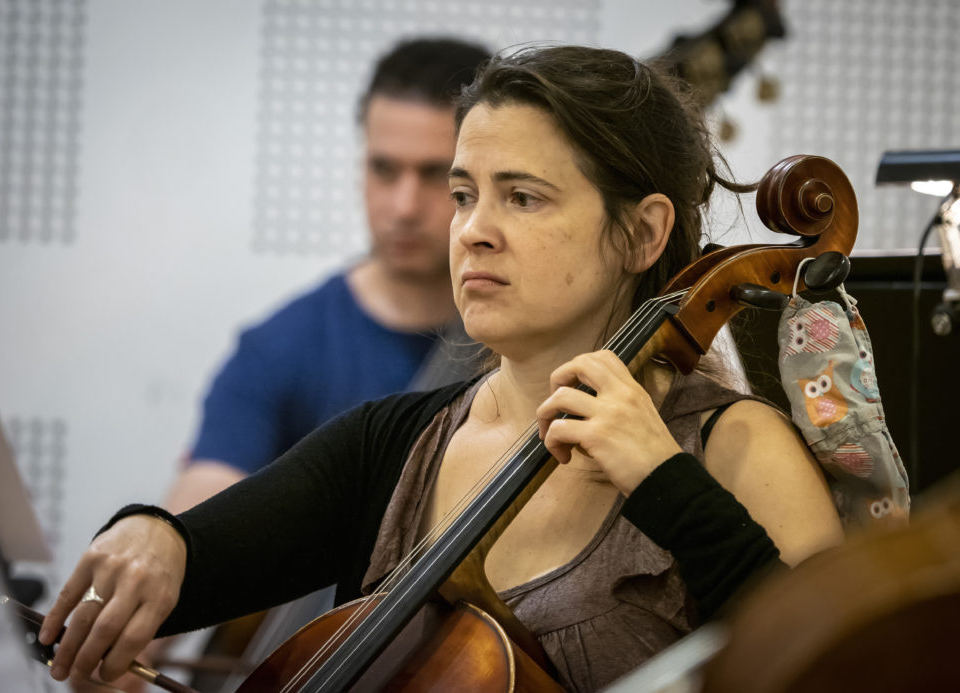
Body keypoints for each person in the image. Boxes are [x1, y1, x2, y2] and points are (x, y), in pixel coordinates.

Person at [41, 45, 845, 692]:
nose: (472, 232)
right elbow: (193, 558)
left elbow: (834, 666)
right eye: (466, 195)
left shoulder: (737, 450)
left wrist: (665, 481)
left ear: (642, 232)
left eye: (522, 197)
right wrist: (152, 536)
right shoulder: (392, 444)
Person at [165, 37, 491, 512]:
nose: (403, 207)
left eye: (434, 174)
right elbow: (195, 518)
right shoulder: (278, 350)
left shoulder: (531, 338)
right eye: (384, 169)